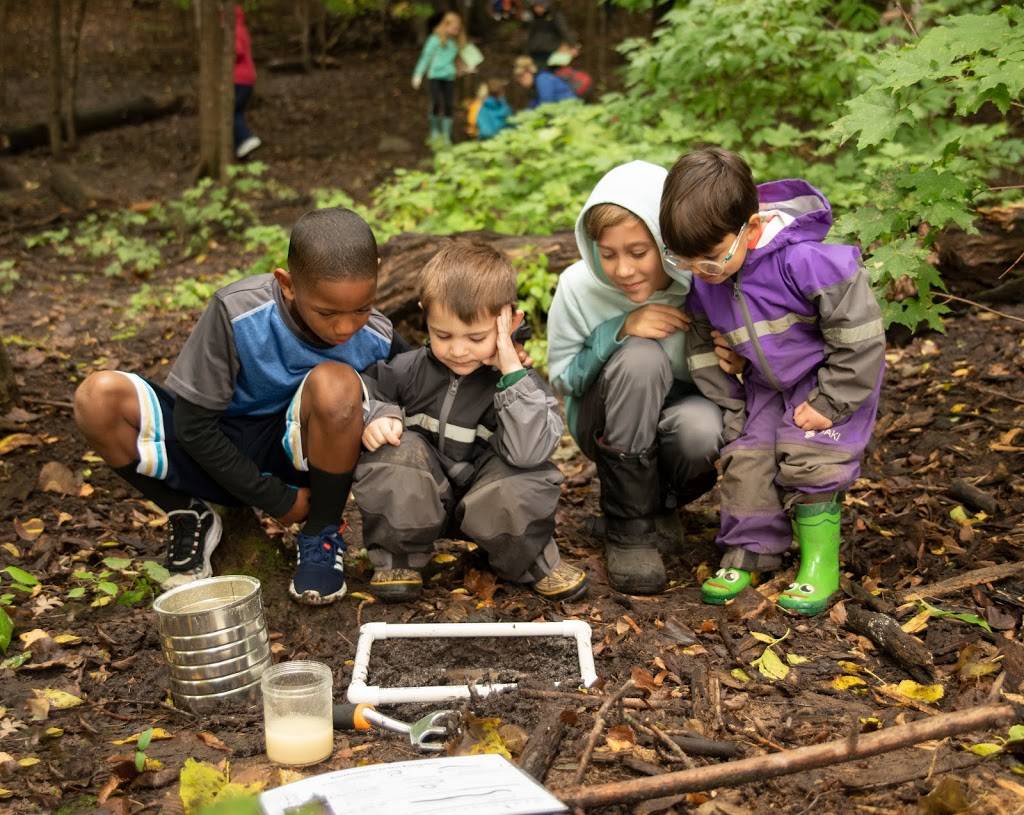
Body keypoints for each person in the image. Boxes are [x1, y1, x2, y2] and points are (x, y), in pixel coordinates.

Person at [73, 208, 401, 606]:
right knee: (97, 398)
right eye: (328, 312)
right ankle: (188, 513)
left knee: (338, 383)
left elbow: (421, 387)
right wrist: (275, 500)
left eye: (361, 308)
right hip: (212, 445)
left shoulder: (378, 335)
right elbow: (194, 427)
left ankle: (321, 534)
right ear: (287, 284)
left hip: (294, 455)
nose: (346, 327)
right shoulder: (237, 312)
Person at [659, 147, 885, 615]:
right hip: (762, 386)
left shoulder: (808, 262)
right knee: (747, 459)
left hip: (825, 382)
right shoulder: (708, 280)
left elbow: (860, 336)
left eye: (712, 259)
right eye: (686, 262)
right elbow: (701, 343)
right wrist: (731, 402)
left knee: (811, 457)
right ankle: (751, 550)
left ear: (753, 229)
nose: (702, 272)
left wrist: (833, 398)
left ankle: (819, 561)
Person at [353, 240, 588, 604]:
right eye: (443, 335)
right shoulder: (408, 369)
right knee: (394, 451)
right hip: (422, 501)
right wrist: (377, 416)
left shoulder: (520, 383)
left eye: (476, 337)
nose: (458, 350)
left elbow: (529, 453)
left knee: (524, 478)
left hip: (488, 505)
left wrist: (510, 368)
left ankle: (532, 560)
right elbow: (365, 391)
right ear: (425, 316)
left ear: (509, 321)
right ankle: (399, 555)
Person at [547, 161, 740, 595]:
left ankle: (659, 506)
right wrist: (616, 330)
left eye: (638, 252)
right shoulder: (577, 286)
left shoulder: (701, 280)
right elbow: (562, 379)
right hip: (603, 417)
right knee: (640, 357)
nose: (623, 270)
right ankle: (628, 528)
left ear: (665, 241)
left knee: (701, 428)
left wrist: (738, 360)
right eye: (608, 253)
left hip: (680, 417)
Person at [412, 11, 466, 146]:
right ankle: (434, 130)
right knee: (436, 102)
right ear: (445, 25)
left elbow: (458, 61)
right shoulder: (435, 40)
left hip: (449, 76)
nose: (455, 31)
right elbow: (425, 58)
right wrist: (418, 74)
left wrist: (463, 69)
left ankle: (446, 134)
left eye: (457, 29)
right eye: (453, 28)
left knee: (448, 105)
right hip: (435, 76)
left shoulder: (456, 42)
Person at [233, 4, 261, 159]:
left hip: (239, 79)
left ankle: (247, 138)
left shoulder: (235, 30)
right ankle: (241, 150)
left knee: (232, 111)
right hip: (247, 78)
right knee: (237, 112)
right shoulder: (242, 29)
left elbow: (236, 51)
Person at [525, 0, 576, 69]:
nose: (538, 9)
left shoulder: (555, 15)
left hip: (550, 51)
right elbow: (528, 33)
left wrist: (572, 45)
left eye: (540, 6)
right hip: (534, 51)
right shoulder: (532, 17)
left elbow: (563, 30)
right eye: (536, 7)